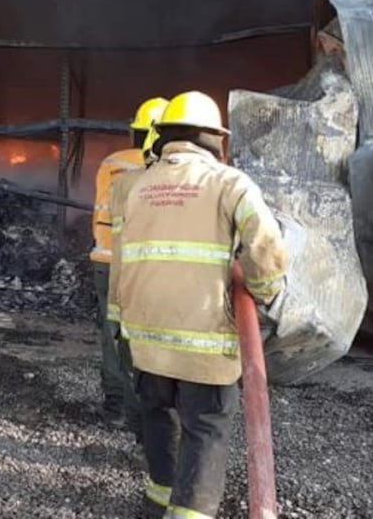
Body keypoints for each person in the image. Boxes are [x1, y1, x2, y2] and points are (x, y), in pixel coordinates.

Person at [111, 90, 289, 518]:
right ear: (214, 138)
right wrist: (267, 294)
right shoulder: (229, 183)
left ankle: (158, 501)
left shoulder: (130, 185)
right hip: (204, 342)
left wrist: (119, 322)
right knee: (204, 428)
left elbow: (120, 260)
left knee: (158, 418)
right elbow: (266, 247)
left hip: (146, 336)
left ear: (167, 134)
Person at [90, 97, 168, 429]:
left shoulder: (111, 162)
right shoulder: (166, 168)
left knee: (112, 335)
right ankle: (144, 415)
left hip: (105, 262)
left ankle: (115, 409)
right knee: (143, 338)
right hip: (146, 266)